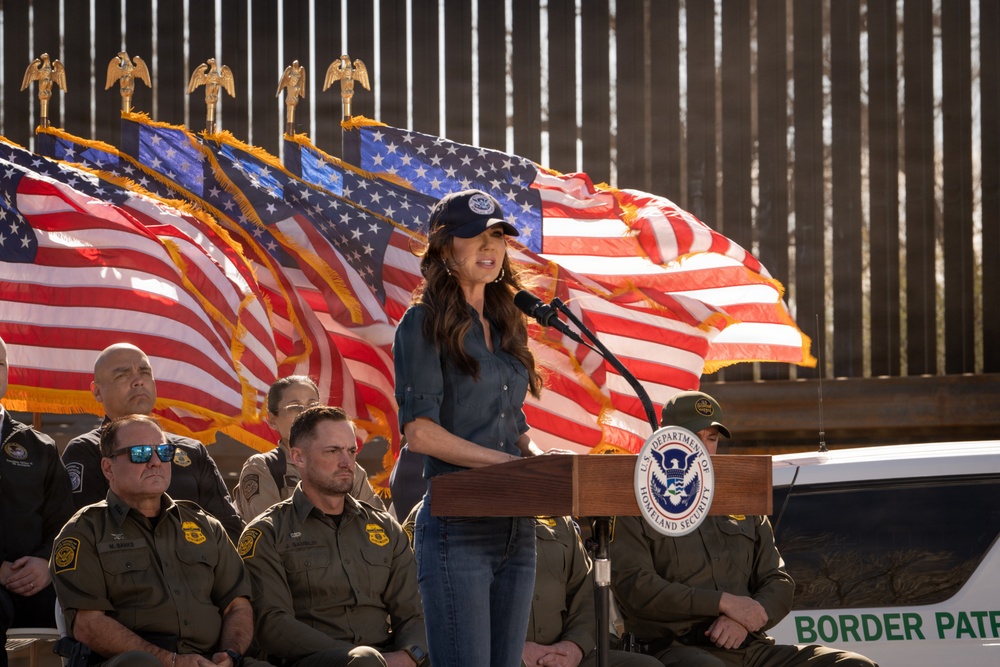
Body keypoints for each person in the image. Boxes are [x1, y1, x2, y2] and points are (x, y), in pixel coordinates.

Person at [610, 391, 878, 667]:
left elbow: (778, 580)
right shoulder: (638, 503)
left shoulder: (741, 500)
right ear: (667, 440)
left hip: (750, 646)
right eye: (692, 437)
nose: (704, 447)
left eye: (711, 438)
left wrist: (742, 620)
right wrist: (721, 603)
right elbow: (636, 588)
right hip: (674, 649)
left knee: (853, 664)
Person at [392, 189, 546, 667]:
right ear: (443, 249)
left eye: (498, 235)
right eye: (474, 235)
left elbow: (513, 423)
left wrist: (545, 466)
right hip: (458, 527)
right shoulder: (422, 323)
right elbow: (420, 433)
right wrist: (510, 468)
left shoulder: (508, 323)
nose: (490, 246)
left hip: (516, 526)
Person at [49, 414, 271, 667]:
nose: (156, 462)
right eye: (141, 453)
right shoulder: (83, 531)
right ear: (108, 468)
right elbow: (88, 625)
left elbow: (237, 605)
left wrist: (230, 654)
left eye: (164, 452)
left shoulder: (206, 526)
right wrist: (171, 661)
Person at [239, 405, 426, 667]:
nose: (347, 462)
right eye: (333, 451)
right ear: (299, 457)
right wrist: (364, 658)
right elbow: (273, 625)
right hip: (313, 659)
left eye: (351, 451)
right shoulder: (267, 533)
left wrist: (410, 654)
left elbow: (415, 612)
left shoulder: (384, 528)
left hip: (386, 657)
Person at [61, 343, 244, 539]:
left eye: (145, 372)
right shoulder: (86, 451)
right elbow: (81, 532)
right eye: (122, 375)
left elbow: (229, 530)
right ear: (97, 391)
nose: (138, 381)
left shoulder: (191, 451)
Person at [0, 336, 75, 667]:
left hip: (39, 581)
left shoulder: (40, 445)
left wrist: (47, 563)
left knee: (102, 608)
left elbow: (64, 520)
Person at [234, 376, 384, 522]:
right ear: (272, 420)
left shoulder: (349, 468)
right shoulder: (263, 468)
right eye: (294, 407)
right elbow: (269, 534)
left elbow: (378, 525)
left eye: (313, 406)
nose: (305, 414)